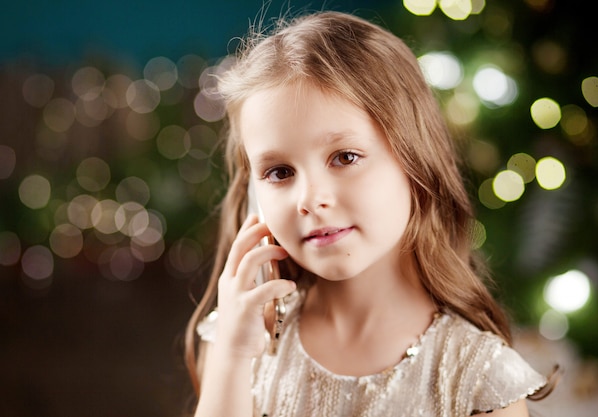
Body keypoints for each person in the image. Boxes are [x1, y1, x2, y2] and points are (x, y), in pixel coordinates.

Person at [184, 11, 556, 417]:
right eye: (279, 172)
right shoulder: (239, 339)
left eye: (345, 157)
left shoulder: (477, 378)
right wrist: (233, 358)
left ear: (416, 161)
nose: (309, 199)